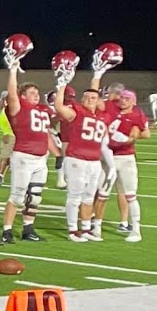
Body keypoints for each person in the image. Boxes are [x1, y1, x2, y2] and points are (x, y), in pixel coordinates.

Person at [0, 65, 51, 243]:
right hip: (24, 156)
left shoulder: (43, 110)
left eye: (37, 92)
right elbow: (11, 92)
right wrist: (13, 70)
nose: (36, 95)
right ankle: (7, 231)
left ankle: (28, 229)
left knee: (35, 196)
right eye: (31, 93)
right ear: (22, 96)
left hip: (41, 158)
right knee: (17, 196)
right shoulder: (18, 107)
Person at [53, 80, 107, 242]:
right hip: (77, 159)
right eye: (86, 97)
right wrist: (62, 85)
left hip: (94, 161)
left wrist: (97, 78)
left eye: (93, 98)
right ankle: (72, 230)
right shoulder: (77, 112)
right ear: (81, 99)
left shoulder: (102, 116)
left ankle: (85, 229)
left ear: (98, 101)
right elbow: (59, 106)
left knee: (89, 197)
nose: (89, 100)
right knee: (74, 196)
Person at [98, 89, 150, 242]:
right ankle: (96, 228)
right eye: (122, 98)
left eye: (127, 98)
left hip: (126, 157)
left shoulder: (136, 114)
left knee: (130, 195)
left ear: (133, 101)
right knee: (102, 194)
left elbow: (146, 134)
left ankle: (136, 230)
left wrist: (129, 138)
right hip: (107, 156)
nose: (123, 100)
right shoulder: (111, 106)